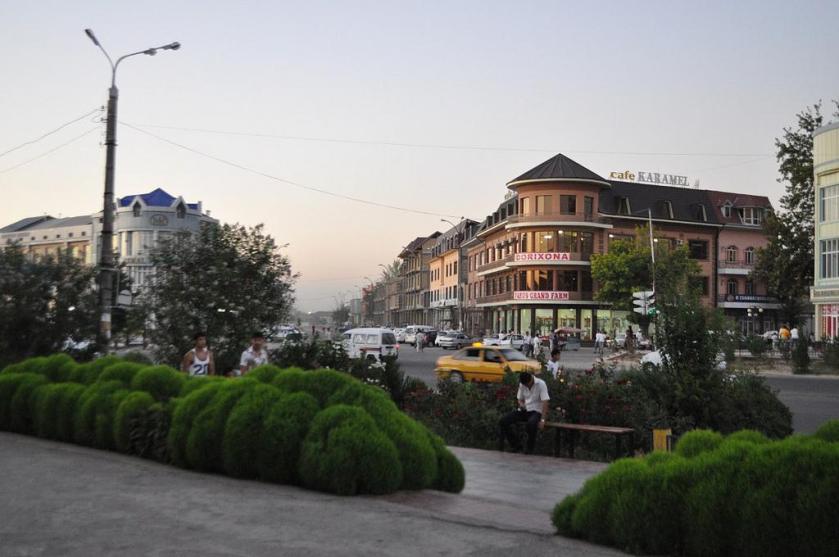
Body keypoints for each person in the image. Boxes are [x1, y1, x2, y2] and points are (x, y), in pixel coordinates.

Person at [498, 372, 550, 454]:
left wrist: (543, 420)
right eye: (525, 385)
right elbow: (519, 399)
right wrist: (521, 404)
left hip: (536, 411)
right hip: (525, 410)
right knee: (503, 421)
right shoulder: (522, 385)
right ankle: (516, 445)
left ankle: (529, 449)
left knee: (531, 424)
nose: (527, 386)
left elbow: (545, 402)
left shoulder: (541, 384)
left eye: (528, 384)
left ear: (531, 379)